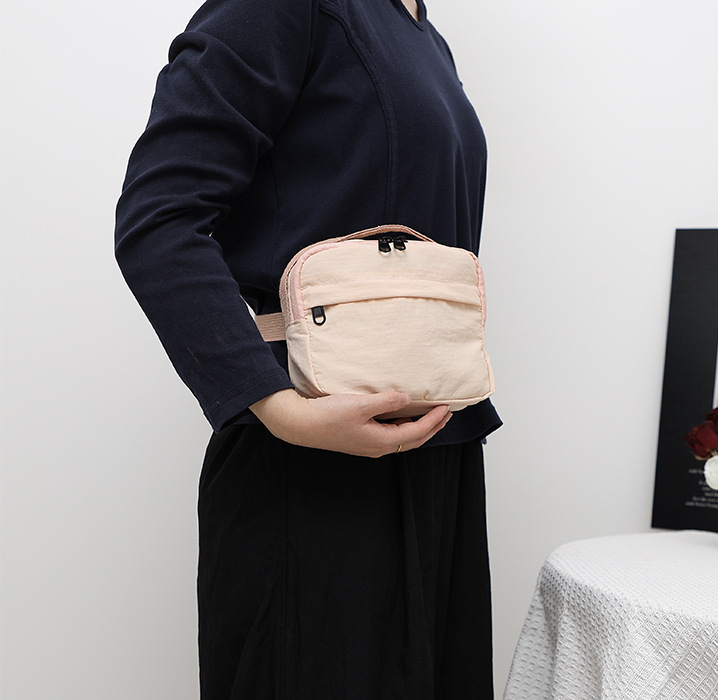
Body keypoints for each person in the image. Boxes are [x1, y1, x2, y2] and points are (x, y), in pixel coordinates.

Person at [115, 0, 501, 696]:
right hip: (311, 466)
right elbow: (159, 218)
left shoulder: (424, 34)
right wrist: (279, 408)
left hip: (438, 453)